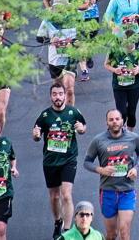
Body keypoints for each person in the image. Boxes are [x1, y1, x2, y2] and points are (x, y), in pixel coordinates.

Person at [33, 83, 87, 238]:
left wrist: (81, 129)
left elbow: (83, 126)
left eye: (60, 94)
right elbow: (36, 133)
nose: (58, 97)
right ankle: (58, 221)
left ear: (65, 95)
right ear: (51, 96)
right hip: (50, 161)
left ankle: (67, 231)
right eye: (54, 94)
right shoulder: (45, 116)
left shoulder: (73, 111)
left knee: (66, 195)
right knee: (54, 196)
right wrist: (36, 135)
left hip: (69, 159)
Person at [83, 109, 139, 240]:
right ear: (107, 122)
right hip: (108, 192)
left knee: (124, 231)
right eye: (111, 120)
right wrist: (100, 170)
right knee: (112, 234)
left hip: (127, 191)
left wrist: (136, 168)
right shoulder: (98, 140)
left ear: (123, 121)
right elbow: (87, 162)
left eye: (117, 119)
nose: (115, 122)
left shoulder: (133, 138)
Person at [37, 0, 79, 105]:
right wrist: (50, 40)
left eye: (61, 8)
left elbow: (82, 38)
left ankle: (70, 117)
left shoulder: (74, 20)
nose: (59, 10)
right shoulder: (47, 21)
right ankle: (60, 112)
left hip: (70, 59)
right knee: (59, 91)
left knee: (69, 90)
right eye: (56, 8)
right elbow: (39, 38)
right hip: (55, 60)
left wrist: (73, 43)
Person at [70, 0, 105, 81]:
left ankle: (89, 54)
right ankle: (84, 70)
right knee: (80, 42)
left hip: (92, 15)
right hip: (77, 16)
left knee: (90, 40)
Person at [105, 29, 139, 132]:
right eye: (125, 42)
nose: (128, 45)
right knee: (122, 112)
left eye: (130, 42)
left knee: (131, 113)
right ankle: (119, 133)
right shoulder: (114, 51)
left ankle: (130, 135)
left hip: (134, 86)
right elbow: (106, 64)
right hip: (119, 87)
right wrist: (115, 70)